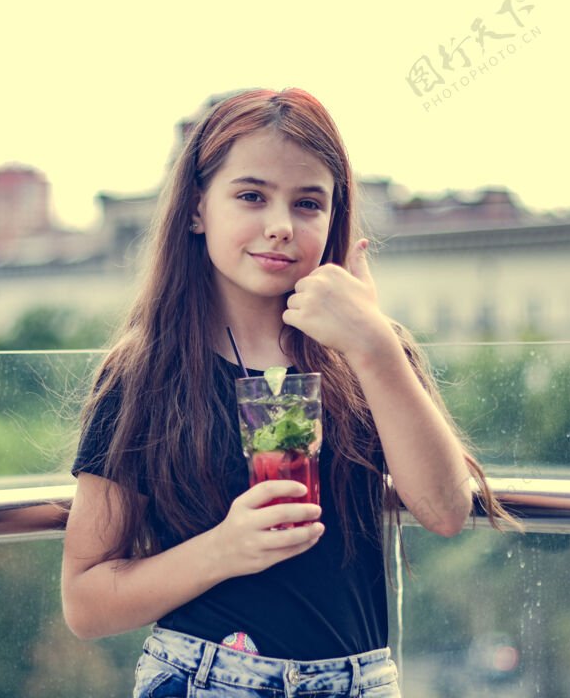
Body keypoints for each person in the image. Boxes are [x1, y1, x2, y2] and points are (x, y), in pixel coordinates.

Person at [61, 88, 512, 697]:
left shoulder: (370, 354)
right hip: (206, 679)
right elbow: (86, 602)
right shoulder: (146, 372)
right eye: (251, 196)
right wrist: (223, 549)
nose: (280, 227)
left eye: (307, 203)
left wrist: (375, 347)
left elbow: (445, 511)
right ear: (197, 209)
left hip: (360, 681)